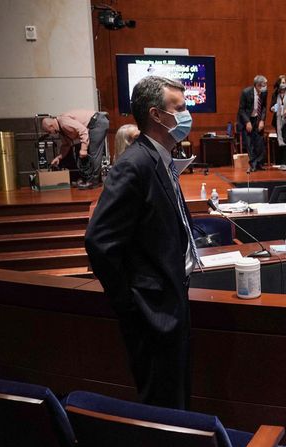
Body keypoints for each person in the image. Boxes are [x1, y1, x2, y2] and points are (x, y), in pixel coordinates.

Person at [85, 76, 199, 410]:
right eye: (179, 108)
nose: (187, 114)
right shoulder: (133, 165)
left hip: (172, 297)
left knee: (176, 393)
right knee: (160, 400)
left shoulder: (160, 158)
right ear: (157, 115)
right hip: (152, 309)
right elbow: (99, 241)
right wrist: (131, 304)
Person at [42, 109, 110, 189]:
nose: (50, 134)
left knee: (93, 152)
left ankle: (93, 181)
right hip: (94, 124)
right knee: (83, 150)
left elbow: (83, 131)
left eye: (49, 131)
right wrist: (59, 157)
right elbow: (66, 145)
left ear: (51, 126)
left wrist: (83, 149)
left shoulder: (64, 122)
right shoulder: (61, 130)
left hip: (97, 122)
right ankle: (93, 180)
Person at [237, 74, 268, 172]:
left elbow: (263, 107)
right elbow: (241, 109)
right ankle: (253, 165)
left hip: (257, 119)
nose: (265, 87)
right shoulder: (246, 92)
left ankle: (259, 163)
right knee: (250, 144)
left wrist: (262, 120)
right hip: (247, 120)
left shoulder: (264, 93)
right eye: (263, 85)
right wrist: (247, 122)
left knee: (259, 143)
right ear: (257, 85)